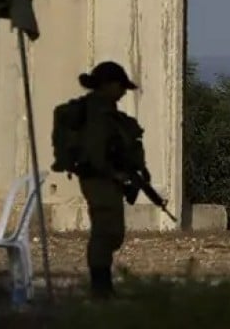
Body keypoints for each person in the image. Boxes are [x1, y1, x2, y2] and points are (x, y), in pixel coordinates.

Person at [73, 60, 146, 299]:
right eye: (120, 86)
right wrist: (115, 174)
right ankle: (100, 287)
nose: (124, 91)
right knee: (105, 232)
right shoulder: (97, 112)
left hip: (105, 177)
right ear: (108, 85)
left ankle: (103, 286)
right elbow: (96, 153)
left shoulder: (106, 111)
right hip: (99, 178)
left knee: (111, 231)